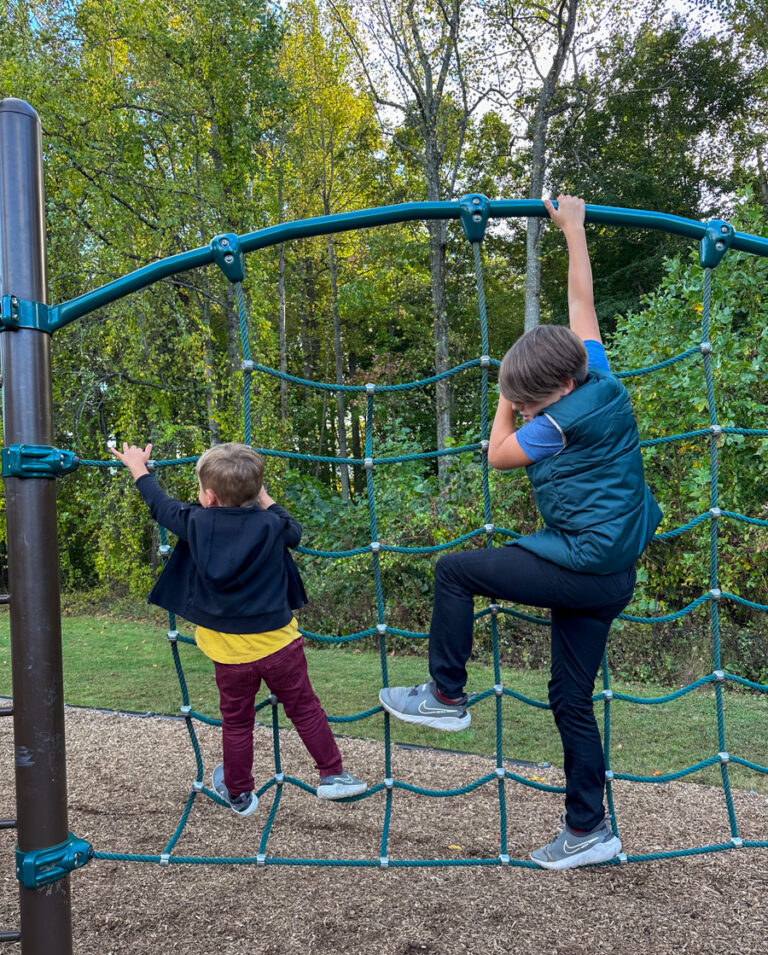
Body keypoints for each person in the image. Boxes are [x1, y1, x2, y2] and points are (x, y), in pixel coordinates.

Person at [379, 195, 661, 869]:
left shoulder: (558, 420)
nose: (524, 412)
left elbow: (497, 454)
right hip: (611, 575)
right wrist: (573, 232)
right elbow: (582, 308)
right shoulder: (598, 375)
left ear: (558, 390)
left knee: (456, 570)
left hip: (582, 564)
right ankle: (589, 831)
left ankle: (447, 694)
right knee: (570, 700)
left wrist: (506, 401)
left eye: (530, 402)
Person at [110, 441, 367, 816]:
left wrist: (138, 467)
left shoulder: (194, 521)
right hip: (280, 645)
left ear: (209, 496)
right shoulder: (272, 524)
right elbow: (294, 530)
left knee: (237, 722)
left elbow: (159, 504)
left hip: (228, 654)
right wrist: (263, 496)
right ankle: (333, 775)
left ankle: (239, 794)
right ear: (256, 492)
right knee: (306, 708)